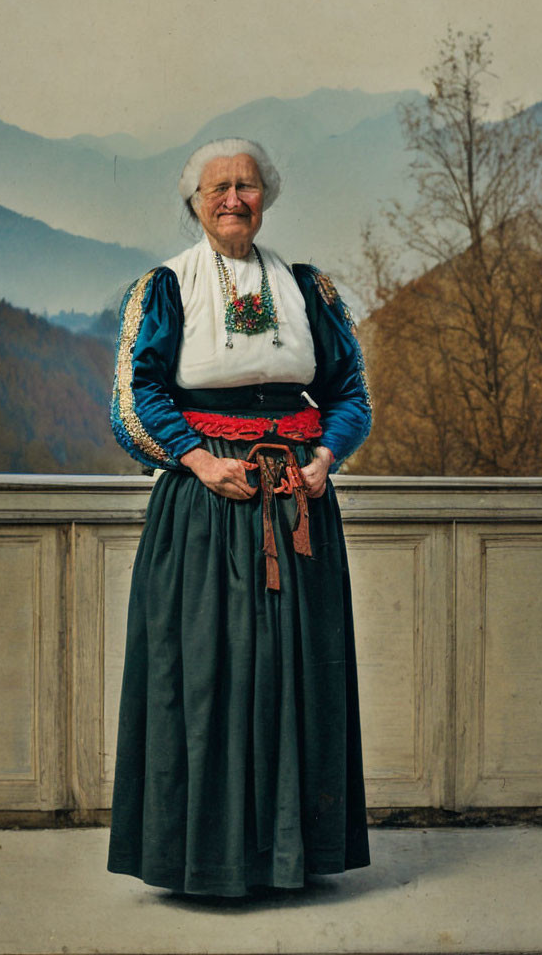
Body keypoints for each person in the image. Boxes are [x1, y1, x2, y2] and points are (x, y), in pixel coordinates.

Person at [107, 137, 372, 898]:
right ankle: (206, 859)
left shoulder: (306, 287)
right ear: (194, 201)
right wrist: (196, 459)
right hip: (207, 510)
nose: (233, 199)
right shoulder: (166, 287)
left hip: (297, 505)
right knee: (210, 674)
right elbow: (136, 398)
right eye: (218, 186)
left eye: (247, 186)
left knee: (294, 672)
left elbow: (351, 390)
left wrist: (325, 458)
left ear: (267, 198)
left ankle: (290, 855)